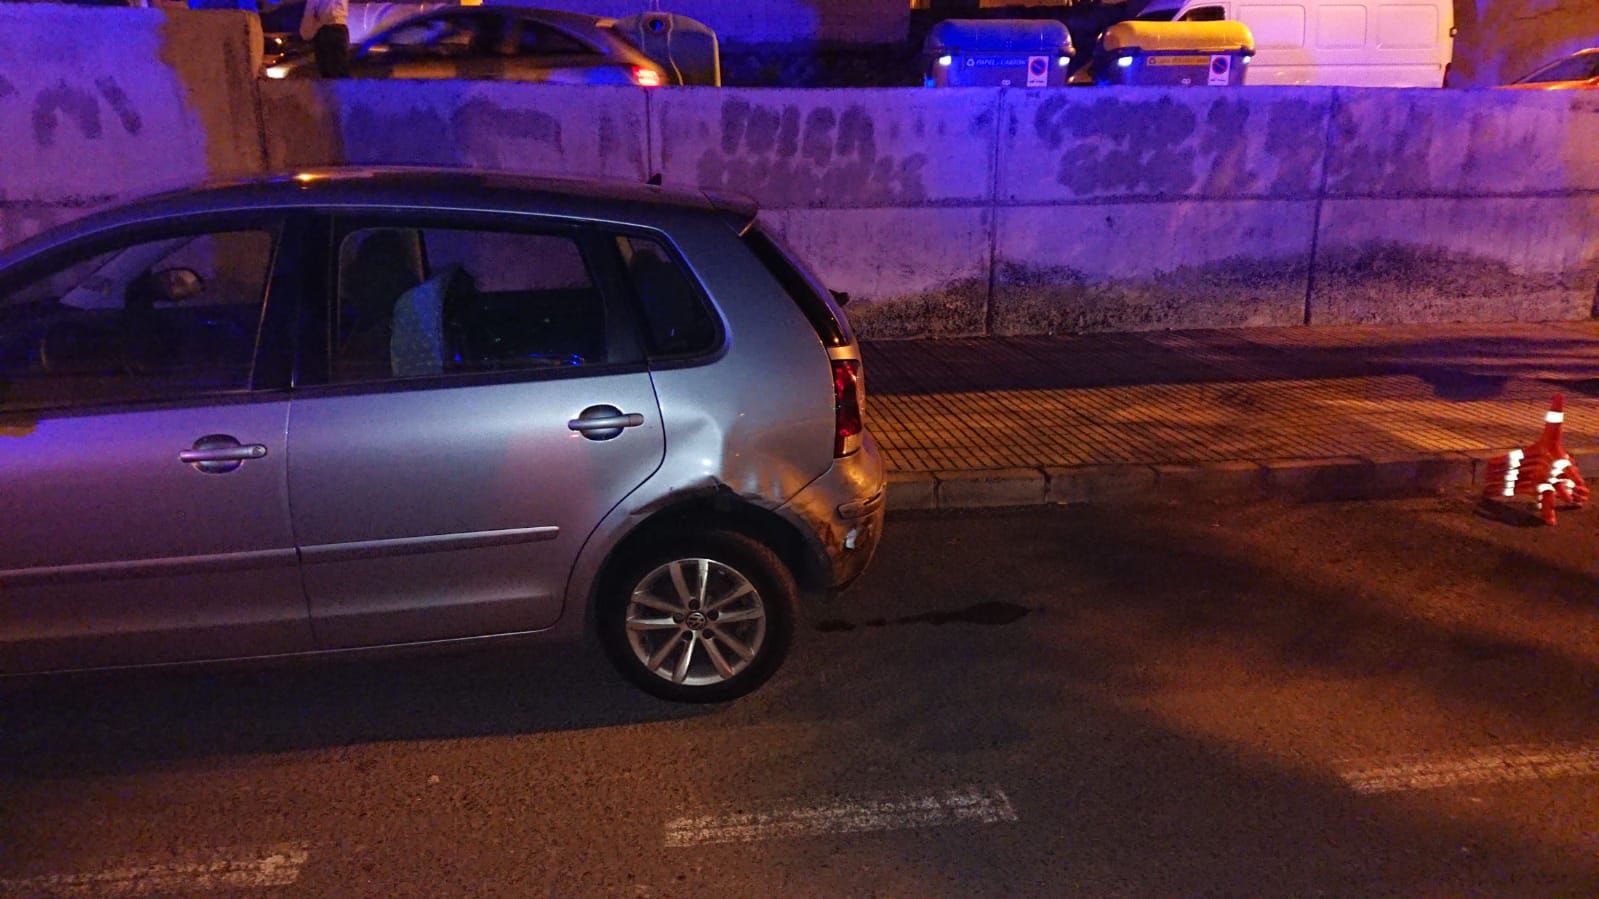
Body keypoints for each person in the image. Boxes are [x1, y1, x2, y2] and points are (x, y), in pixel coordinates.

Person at [299, 0, 351, 78]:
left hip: (324, 29)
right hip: (341, 27)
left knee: (326, 69)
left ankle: (328, 88)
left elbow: (310, 9)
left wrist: (307, 30)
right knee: (341, 68)